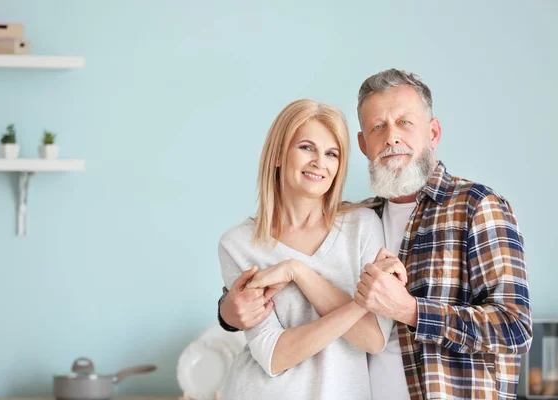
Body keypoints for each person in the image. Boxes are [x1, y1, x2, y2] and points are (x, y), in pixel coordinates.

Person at [218, 69, 532, 400]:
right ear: (364, 144)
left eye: (405, 123)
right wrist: (227, 311)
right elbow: (258, 304)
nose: (392, 137)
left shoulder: (475, 206)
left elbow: (515, 328)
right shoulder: (368, 214)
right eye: (378, 126)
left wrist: (411, 310)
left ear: (434, 132)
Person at [217, 98, 405, 400]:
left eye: (332, 154)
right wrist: (362, 303)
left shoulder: (363, 226)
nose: (320, 162)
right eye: (307, 148)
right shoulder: (238, 243)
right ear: (279, 155)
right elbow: (273, 356)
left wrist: (298, 272)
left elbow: (372, 338)